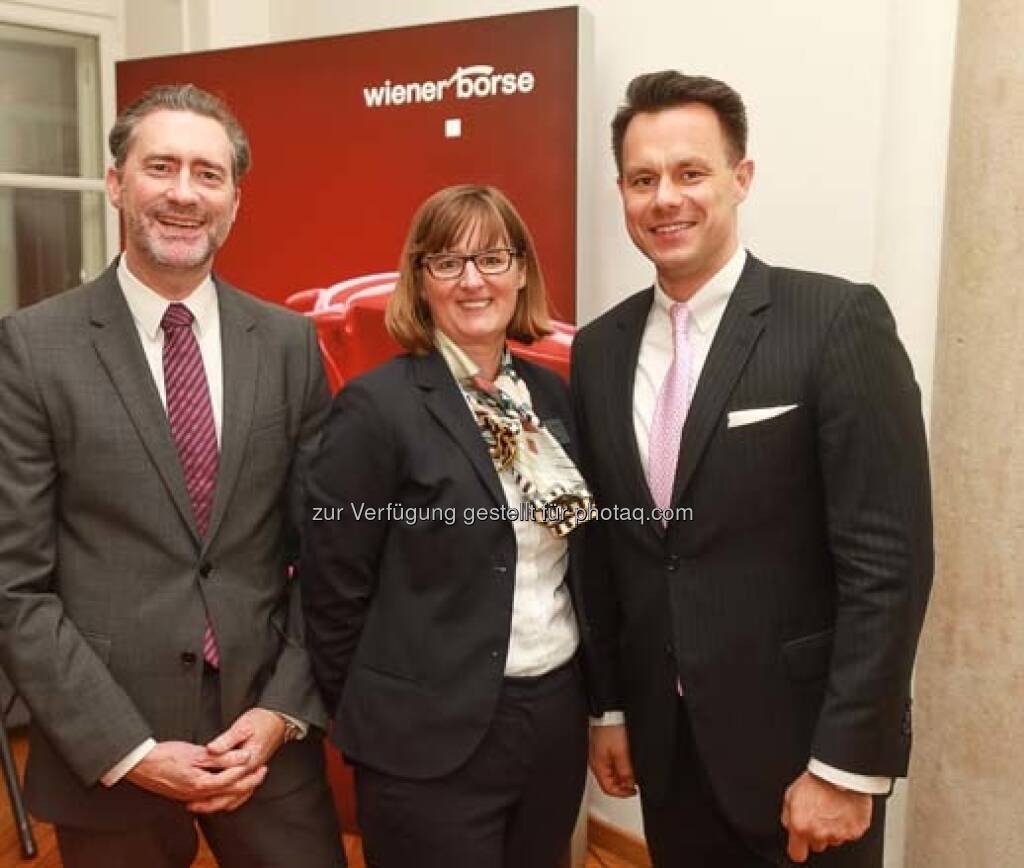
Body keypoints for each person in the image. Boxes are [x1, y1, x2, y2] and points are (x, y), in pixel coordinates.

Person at [571, 71, 933, 866]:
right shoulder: (597, 351)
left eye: (690, 172)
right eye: (642, 179)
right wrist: (609, 708)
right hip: (667, 760)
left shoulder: (836, 321)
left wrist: (848, 765)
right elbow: (608, 547)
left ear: (741, 178)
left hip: (801, 758)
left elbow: (888, 563)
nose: (665, 197)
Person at [0, 84, 344, 867]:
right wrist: (128, 748)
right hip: (109, 753)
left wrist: (283, 713)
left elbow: (325, 558)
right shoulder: (30, 349)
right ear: (117, 183)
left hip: (265, 745)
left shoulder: (289, 344)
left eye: (208, 173)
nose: (184, 193)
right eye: (161, 167)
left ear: (234, 200)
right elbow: (14, 584)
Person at [301, 184, 605, 868]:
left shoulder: (553, 398)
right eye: (447, 261)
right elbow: (331, 589)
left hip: (552, 720)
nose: (473, 280)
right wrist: (374, 718)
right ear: (420, 280)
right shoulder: (375, 410)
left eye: (492, 258)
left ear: (521, 271)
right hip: (425, 744)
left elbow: (578, 563)